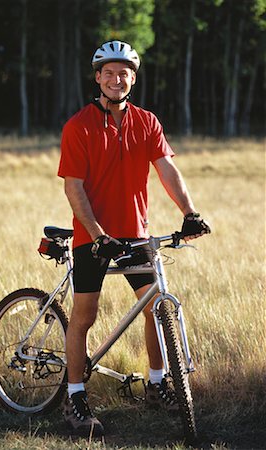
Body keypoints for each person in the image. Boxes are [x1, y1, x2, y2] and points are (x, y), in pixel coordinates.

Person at [58, 40, 210, 436]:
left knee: (156, 309)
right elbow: (74, 188)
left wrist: (189, 212)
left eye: (123, 73)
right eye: (108, 72)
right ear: (97, 78)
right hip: (93, 237)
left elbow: (167, 170)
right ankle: (74, 397)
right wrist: (97, 234)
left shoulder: (147, 121)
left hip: (135, 234)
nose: (116, 79)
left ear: (133, 79)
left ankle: (158, 385)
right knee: (85, 315)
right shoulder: (79, 126)